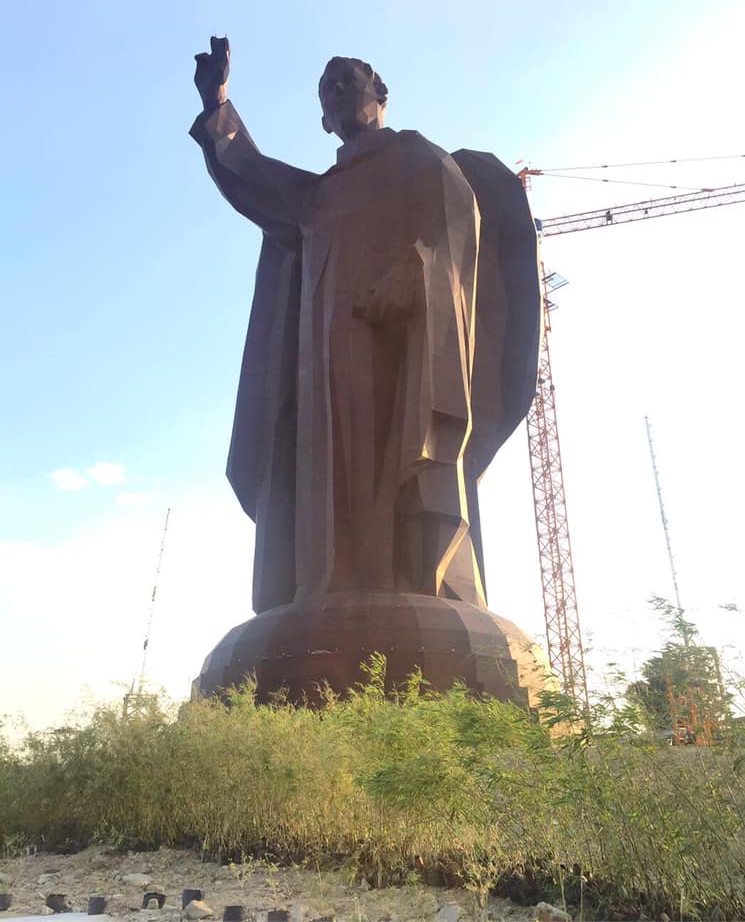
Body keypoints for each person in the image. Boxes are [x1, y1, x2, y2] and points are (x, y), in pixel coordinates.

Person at [191, 37, 541, 616]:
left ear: (379, 92)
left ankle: (417, 586)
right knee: (330, 488)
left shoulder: (423, 160)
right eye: (327, 92)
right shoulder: (318, 195)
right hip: (327, 364)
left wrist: (419, 271)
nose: (337, 93)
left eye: (347, 81)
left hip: (404, 352)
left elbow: (459, 227)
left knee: (405, 468)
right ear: (325, 120)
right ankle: (329, 587)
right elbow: (252, 176)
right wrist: (217, 103)